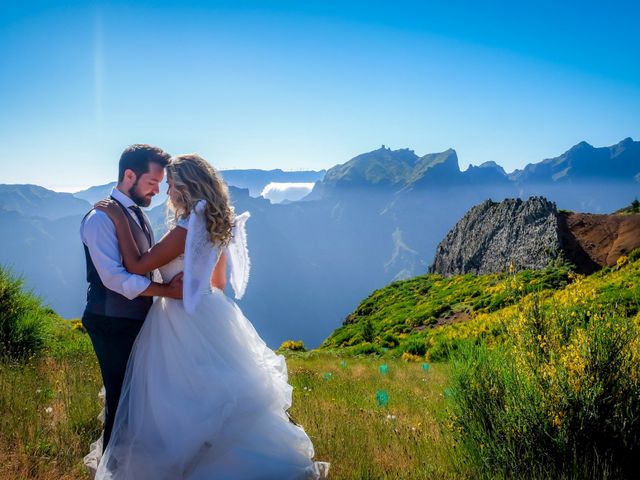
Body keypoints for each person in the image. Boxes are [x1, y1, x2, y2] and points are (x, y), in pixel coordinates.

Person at [91, 153, 329, 479]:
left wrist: (118, 219)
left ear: (186, 188)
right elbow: (218, 283)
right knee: (212, 398)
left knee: (176, 403)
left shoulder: (185, 229)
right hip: (209, 310)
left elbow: (135, 266)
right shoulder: (215, 224)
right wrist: (195, 288)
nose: (167, 192)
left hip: (176, 318)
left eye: (172, 185)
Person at [80, 144, 183, 459]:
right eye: (152, 183)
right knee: (120, 398)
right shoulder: (100, 218)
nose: (157, 191)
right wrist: (169, 293)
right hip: (111, 321)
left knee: (135, 398)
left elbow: (142, 262)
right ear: (129, 175)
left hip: (132, 320)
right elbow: (115, 278)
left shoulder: (134, 212)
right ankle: (112, 467)